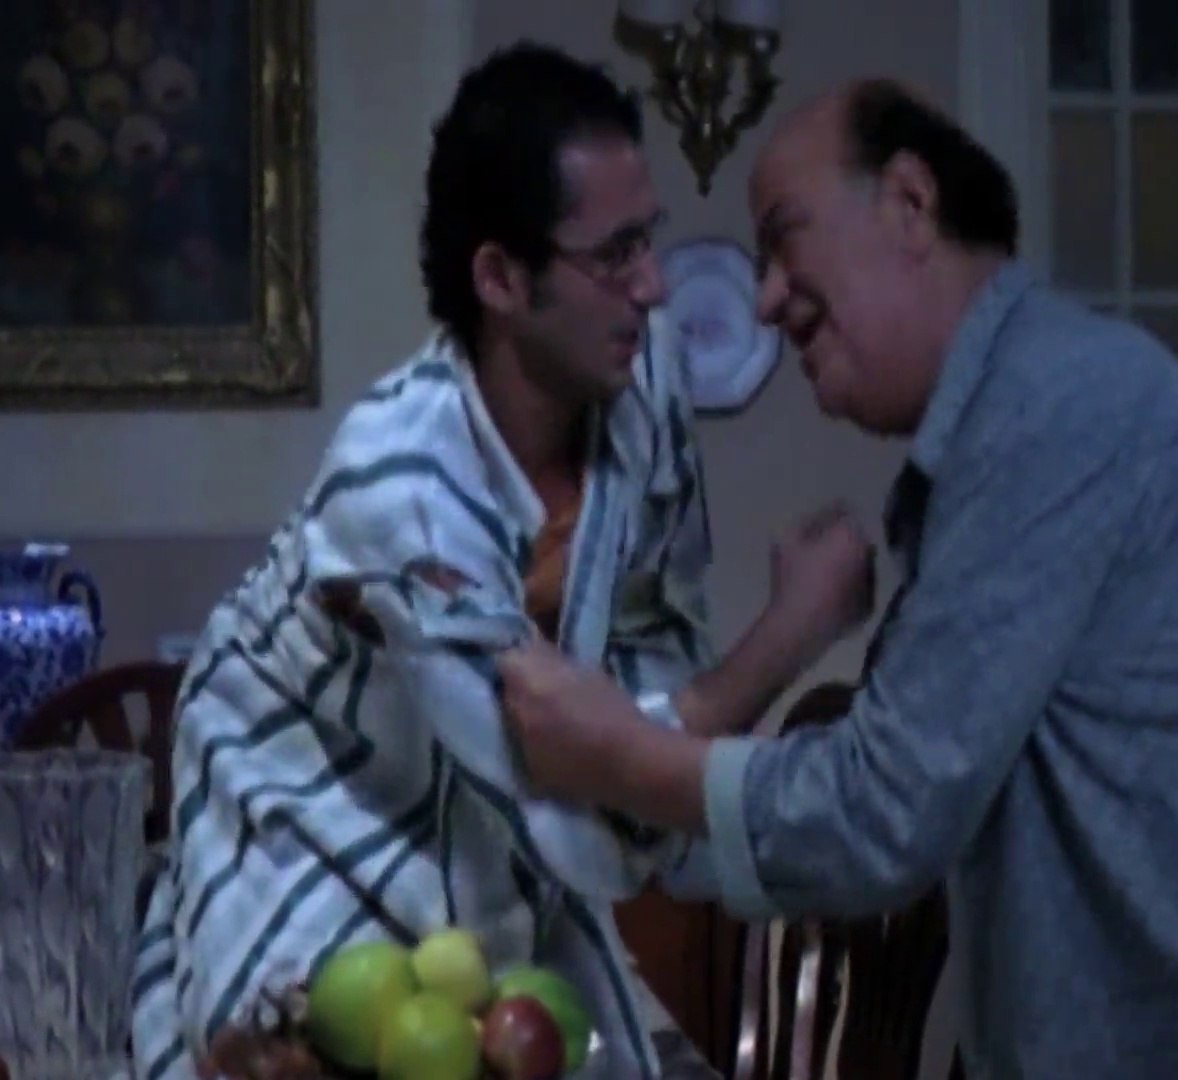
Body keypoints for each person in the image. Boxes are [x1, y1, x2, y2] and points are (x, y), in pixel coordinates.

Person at [495, 78, 1178, 1078]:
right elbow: (881, 797)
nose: (762, 300)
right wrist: (709, 704)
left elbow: (879, 815)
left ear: (911, 202)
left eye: (783, 238)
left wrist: (618, 754)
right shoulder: (1000, 434)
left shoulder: (1055, 405)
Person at [129, 43, 851, 1080]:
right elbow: (580, 823)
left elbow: (658, 633)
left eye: (648, 239)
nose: (654, 287)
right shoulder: (398, 485)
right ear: (501, 277)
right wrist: (789, 633)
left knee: (537, 1041)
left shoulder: (642, 383)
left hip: (490, 832)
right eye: (615, 255)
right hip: (307, 793)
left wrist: (632, 737)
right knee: (302, 1055)